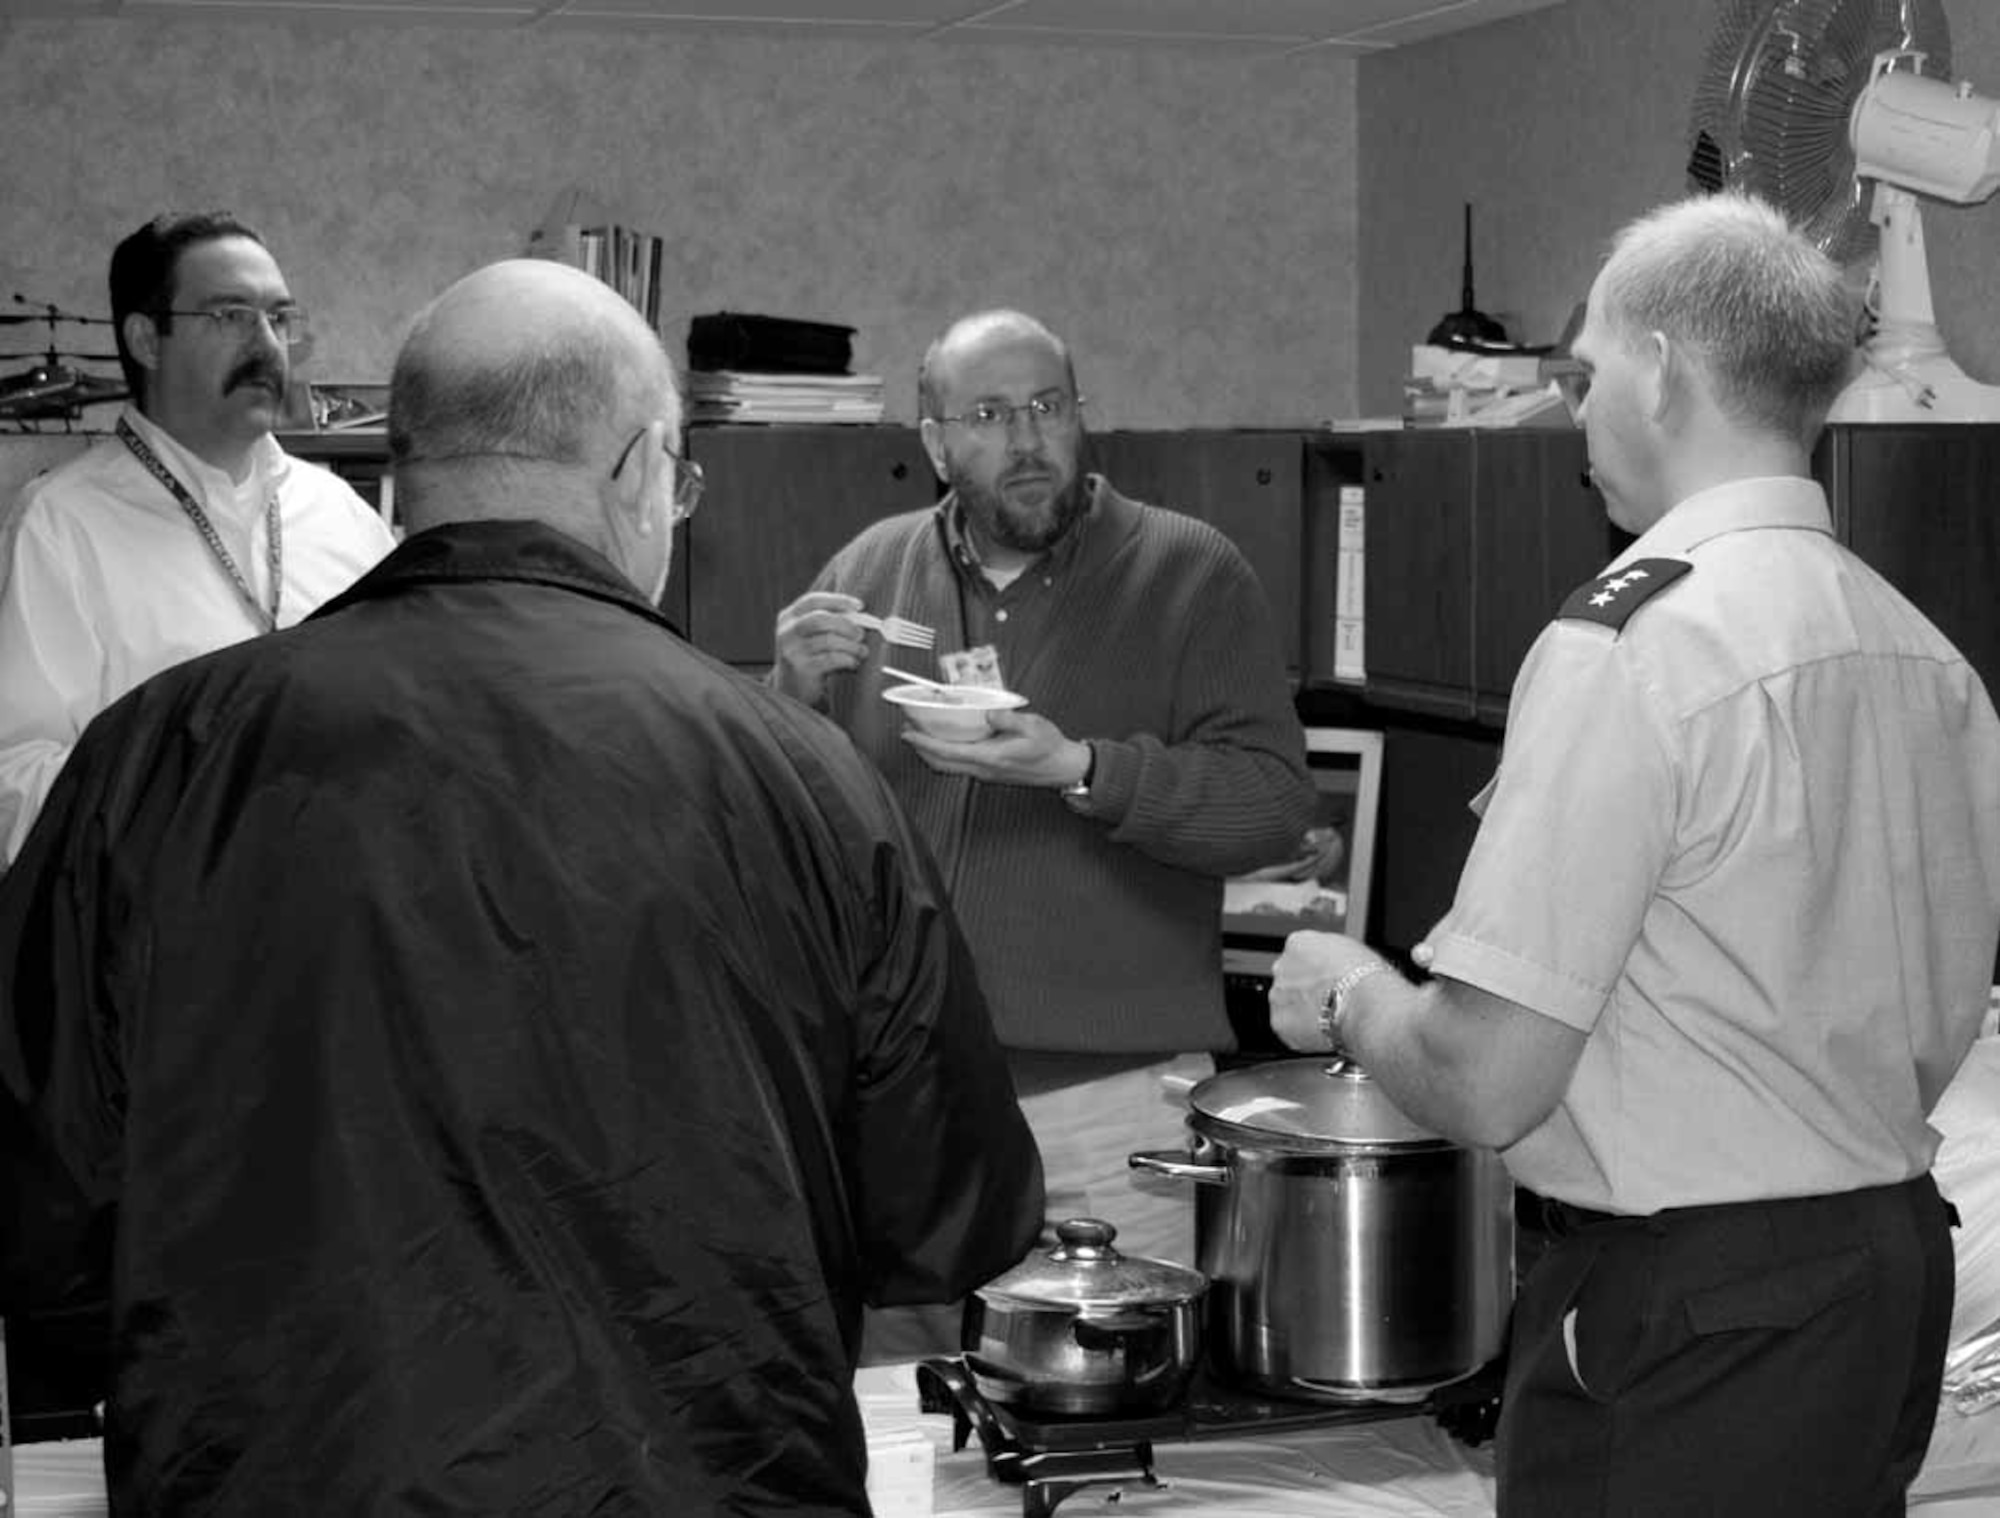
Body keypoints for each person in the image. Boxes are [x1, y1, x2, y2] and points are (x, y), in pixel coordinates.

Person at [0, 258, 1044, 1516]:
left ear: (404, 471)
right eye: (680, 481)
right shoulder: (805, 780)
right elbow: (948, 1215)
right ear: (638, 471)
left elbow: (42, 1210)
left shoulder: (160, 757)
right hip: (706, 1481)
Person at [1268, 191, 2000, 1516]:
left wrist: (1346, 991)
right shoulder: (1924, 655)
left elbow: (1484, 1081)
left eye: (1582, 375)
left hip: (1696, 1310)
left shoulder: (1634, 647)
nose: (1575, 418)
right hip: (1887, 1273)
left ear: (1659, 371)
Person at [772, 309, 1315, 1313]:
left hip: (1111, 1113)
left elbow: (1274, 806)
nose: (1026, 440)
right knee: (904, 1395)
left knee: (1117, 1393)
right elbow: (788, 840)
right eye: (987, 415)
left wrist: (1079, 768)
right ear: (935, 443)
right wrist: (789, 697)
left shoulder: (1189, 571)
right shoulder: (868, 571)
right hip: (905, 1113)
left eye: (1047, 407)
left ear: (1079, 416)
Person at [0, 209, 395, 867]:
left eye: (279, 317)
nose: (267, 344)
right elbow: (15, 780)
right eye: (230, 315)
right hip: (163, 914)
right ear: (146, 341)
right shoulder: (62, 525)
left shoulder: (344, 517)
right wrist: (196, 795)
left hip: (339, 900)